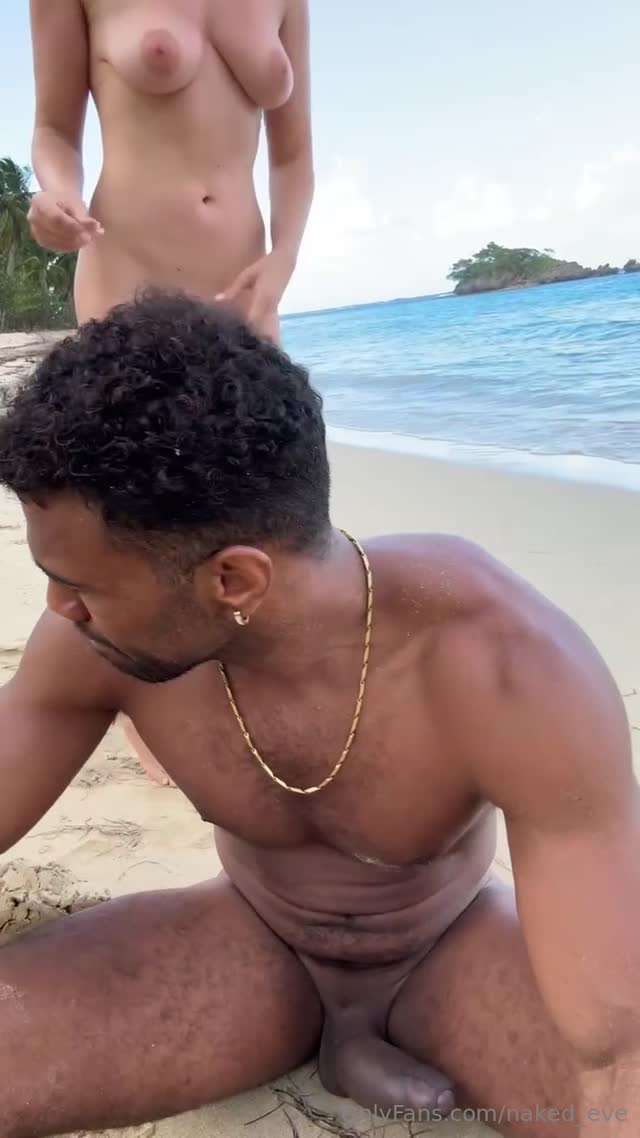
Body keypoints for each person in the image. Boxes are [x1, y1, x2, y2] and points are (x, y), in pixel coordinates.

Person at [0, 292, 638, 1138]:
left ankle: (375, 1033)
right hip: (248, 945)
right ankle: (337, 1040)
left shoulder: (502, 665)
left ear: (233, 581)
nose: (59, 608)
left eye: (79, 585)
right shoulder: (89, 641)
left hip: (449, 951)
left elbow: (614, 1046)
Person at [26, 0, 314, 783]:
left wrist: (284, 259)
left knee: (254, 506)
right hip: (128, 275)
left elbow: (292, 155)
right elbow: (54, 127)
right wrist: (55, 193)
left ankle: (250, 687)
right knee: (124, 515)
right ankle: (132, 695)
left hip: (241, 294)